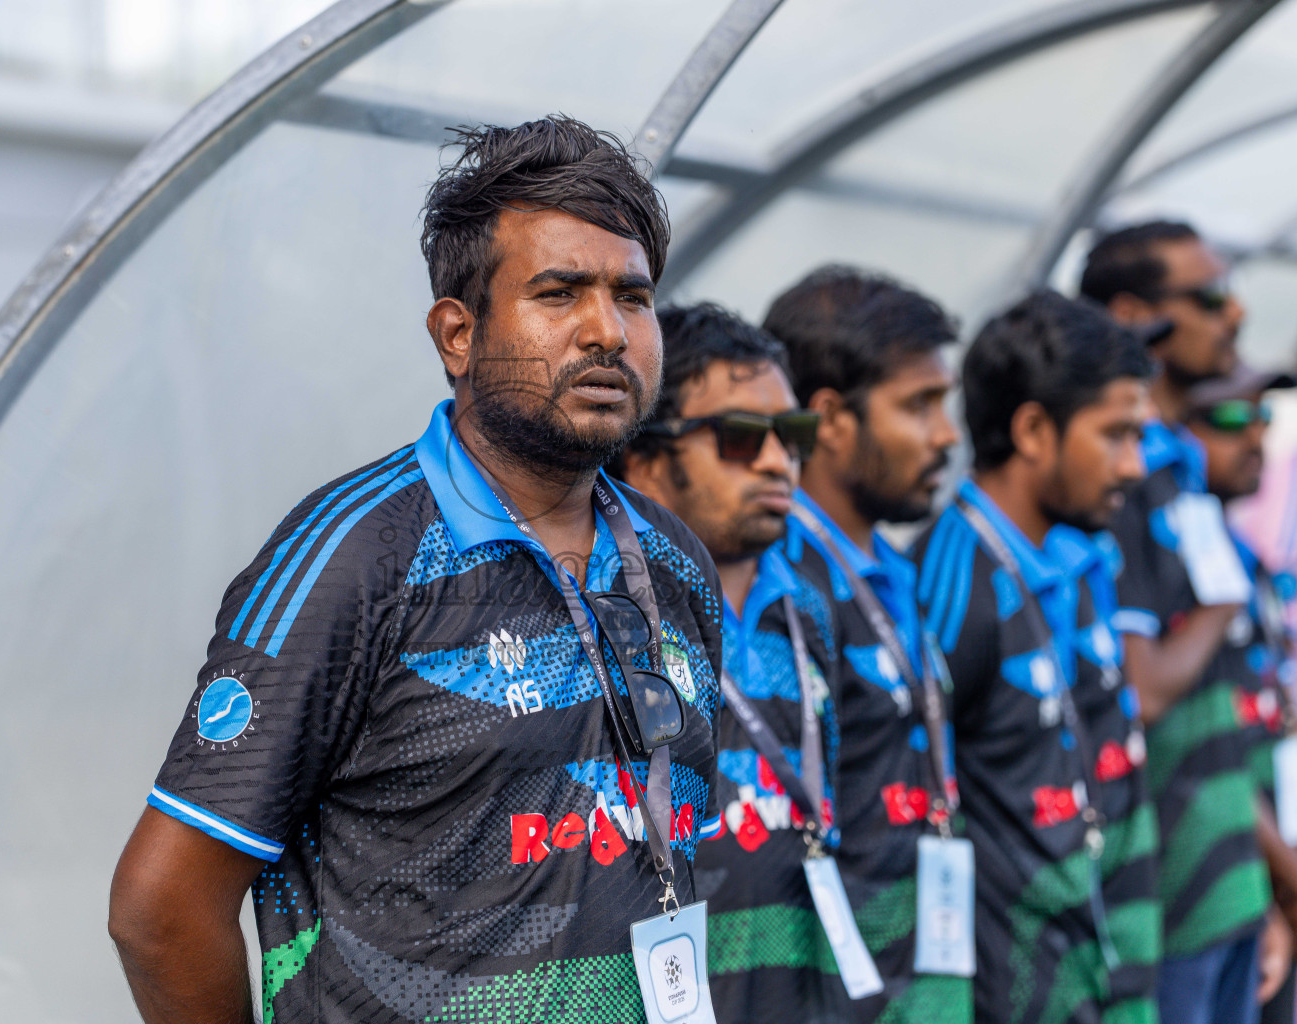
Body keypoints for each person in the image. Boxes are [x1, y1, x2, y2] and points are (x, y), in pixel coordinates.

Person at [107, 117, 730, 1024]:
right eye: (560, 293)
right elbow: (161, 907)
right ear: (457, 335)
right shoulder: (357, 557)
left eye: (632, 298)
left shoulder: (676, 562)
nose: (607, 331)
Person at [913, 291, 1160, 1023]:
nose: (1136, 464)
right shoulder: (952, 583)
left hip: (1110, 967)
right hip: (1015, 991)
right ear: (1031, 430)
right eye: (1115, 435)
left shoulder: (1080, 554)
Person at [616, 302, 845, 1021]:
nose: (780, 460)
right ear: (648, 460)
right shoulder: (606, 616)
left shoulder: (809, 606)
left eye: (794, 434)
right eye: (743, 437)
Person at [763, 266, 973, 1023]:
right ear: (828, 420)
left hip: (930, 977)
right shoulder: (778, 590)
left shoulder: (893, 569)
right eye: (920, 405)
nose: (947, 434)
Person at [1083, 221, 1274, 1024]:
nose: (1234, 314)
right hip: (1167, 900)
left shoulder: (1176, 464)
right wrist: (1226, 608)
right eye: (1208, 297)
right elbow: (1145, 691)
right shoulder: (1116, 477)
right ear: (1132, 314)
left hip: (1236, 884)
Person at [1185, 362, 1297, 1021]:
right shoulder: (1161, 558)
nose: (1252, 434)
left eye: (1260, 417)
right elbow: (1200, 737)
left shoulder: (1242, 557)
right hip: (1190, 895)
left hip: (1253, 890)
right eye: (1229, 418)